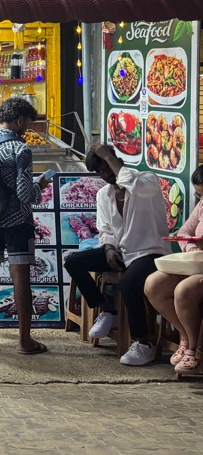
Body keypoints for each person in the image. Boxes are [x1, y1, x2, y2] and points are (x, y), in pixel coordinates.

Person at [65, 143, 171, 366]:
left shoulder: (146, 181)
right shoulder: (104, 194)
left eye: (106, 168)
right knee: (74, 262)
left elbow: (131, 183)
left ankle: (143, 344)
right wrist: (109, 248)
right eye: (99, 172)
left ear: (116, 161)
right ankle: (107, 309)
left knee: (128, 283)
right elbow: (105, 229)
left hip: (150, 252)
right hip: (123, 251)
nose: (104, 175)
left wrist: (108, 157)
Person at [0, 97, 51, 354]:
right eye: (29, 122)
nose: (29, 127)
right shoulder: (21, 149)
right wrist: (40, 187)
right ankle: (24, 341)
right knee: (20, 275)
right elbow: (24, 193)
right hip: (17, 221)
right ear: (20, 120)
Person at [146, 166, 203, 373]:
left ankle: (195, 349)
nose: (201, 198)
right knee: (154, 284)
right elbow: (185, 231)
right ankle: (185, 336)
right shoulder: (202, 204)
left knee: (183, 291)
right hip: (197, 263)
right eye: (199, 194)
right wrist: (192, 246)